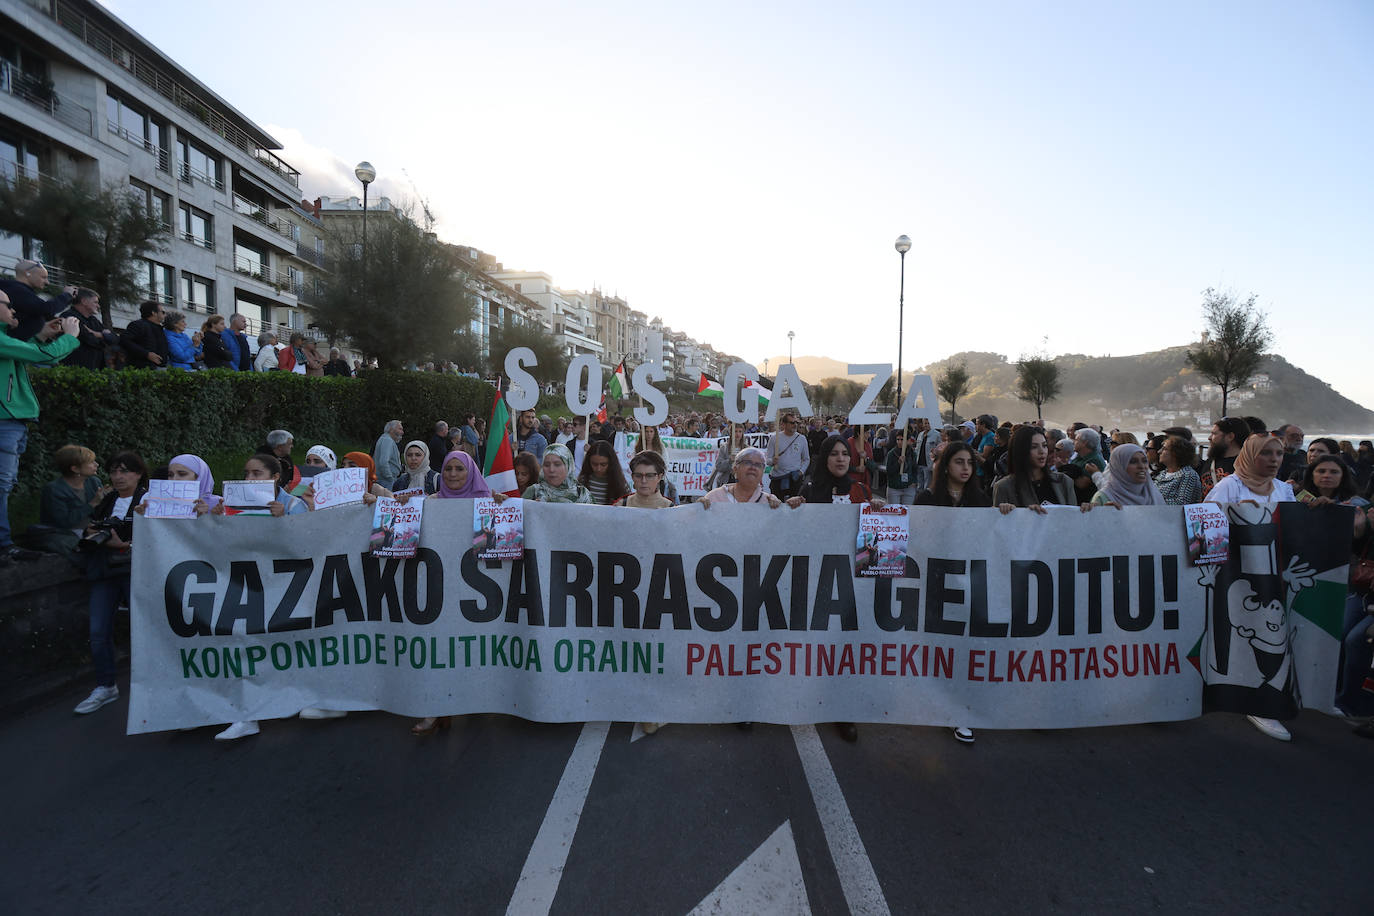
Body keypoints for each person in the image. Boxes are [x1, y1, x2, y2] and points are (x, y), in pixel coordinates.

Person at [1, 295, 80, 562]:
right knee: (1, 486)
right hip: (5, 421)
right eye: (7, 305)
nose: (13, 310)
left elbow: (37, 356)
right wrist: (70, 336)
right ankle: (3, 546)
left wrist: (43, 336)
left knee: (4, 486)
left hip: (12, 421)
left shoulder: (5, 340)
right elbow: (42, 356)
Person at [71, 450, 147, 716]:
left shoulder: (147, 500)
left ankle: (151, 684)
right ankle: (105, 686)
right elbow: (88, 527)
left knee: (145, 630)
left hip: (135, 570)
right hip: (105, 570)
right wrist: (93, 531)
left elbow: (159, 536)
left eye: (124, 471)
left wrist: (124, 544)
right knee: (98, 631)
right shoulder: (107, 500)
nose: (118, 477)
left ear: (138, 473)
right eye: (114, 471)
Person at [35, 444, 108, 556]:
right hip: (64, 534)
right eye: (91, 462)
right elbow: (64, 522)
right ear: (75, 469)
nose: (96, 464)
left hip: (91, 529)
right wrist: (92, 504)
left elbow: (100, 513)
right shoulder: (54, 490)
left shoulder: (93, 482)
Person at [993, 427, 1078, 512]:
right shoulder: (1004, 487)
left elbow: (1074, 516)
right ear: (1020, 451)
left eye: (1044, 445)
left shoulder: (1063, 481)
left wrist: (1084, 511)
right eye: (1034, 447)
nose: (1042, 451)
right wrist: (1013, 512)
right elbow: (999, 519)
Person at [1204, 434, 1294, 506]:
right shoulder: (1229, 486)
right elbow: (1208, 519)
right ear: (1249, 456)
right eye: (1266, 453)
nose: (1274, 459)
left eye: (1279, 453)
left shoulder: (1283, 489)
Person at [0, 259, 74, 341]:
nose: (47, 282)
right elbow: (46, 309)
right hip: (17, 345)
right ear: (27, 273)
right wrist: (67, 295)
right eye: (43, 277)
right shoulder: (17, 290)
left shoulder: (18, 290)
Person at [915, 440, 989, 509]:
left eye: (970, 463)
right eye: (959, 462)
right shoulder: (927, 499)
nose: (966, 467)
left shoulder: (980, 498)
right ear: (946, 465)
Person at [703, 446, 782, 507]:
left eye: (758, 465)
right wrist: (699, 508)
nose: (753, 467)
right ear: (735, 469)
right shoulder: (714, 497)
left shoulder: (769, 502)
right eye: (747, 463)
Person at [1090, 444, 1165, 507]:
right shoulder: (1103, 498)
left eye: (1144, 461)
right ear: (1119, 467)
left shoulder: (1153, 495)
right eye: (1133, 462)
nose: (1142, 466)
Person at [59, 288, 115, 370]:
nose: (98, 306)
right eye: (95, 302)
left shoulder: (93, 320)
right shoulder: (69, 317)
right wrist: (104, 338)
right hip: (74, 368)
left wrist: (98, 334)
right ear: (84, 301)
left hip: (94, 368)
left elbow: (114, 339)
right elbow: (90, 340)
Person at [520, 444, 592, 504]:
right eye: (546, 465)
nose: (551, 470)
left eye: (557, 464)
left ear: (568, 466)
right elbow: (518, 513)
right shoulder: (533, 492)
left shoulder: (582, 494)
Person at [1200, 417, 1250, 498]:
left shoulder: (1247, 466)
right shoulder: (1210, 462)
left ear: (1230, 437)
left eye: (1214, 434)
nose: (1209, 438)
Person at [765, 413, 810, 500]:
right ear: (784, 424)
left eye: (796, 422)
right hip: (778, 478)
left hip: (795, 479)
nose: (795, 425)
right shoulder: (774, 438)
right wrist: (772, 461)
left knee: (794, 505)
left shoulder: (802, 438)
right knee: (777, 504)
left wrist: (801, 472)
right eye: (792, 423)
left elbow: (806, 459)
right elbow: (768, 460)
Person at [1153, 436, 1203, 505]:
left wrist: (1151, 501)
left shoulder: (1188, 475)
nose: (1159, 451)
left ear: (1176, 453)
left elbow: (1181, 503)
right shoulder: (1162, 474)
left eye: (1164, 449)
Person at [120, 300, 170, 369]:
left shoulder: (159, 328)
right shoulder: (138, 325)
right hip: (143, 368)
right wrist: (146, 354)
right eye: (163, 312)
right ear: (154, 313)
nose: (165, 315)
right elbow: (124, 341)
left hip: (160, 368)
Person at [373, 419, 404, 483]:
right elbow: (383, 462)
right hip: (385, 481)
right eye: (400, 429)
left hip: (383, 479)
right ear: (391, 429)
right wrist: (390, 478)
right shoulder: (387, 440)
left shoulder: (385, 439)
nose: (402, 432)